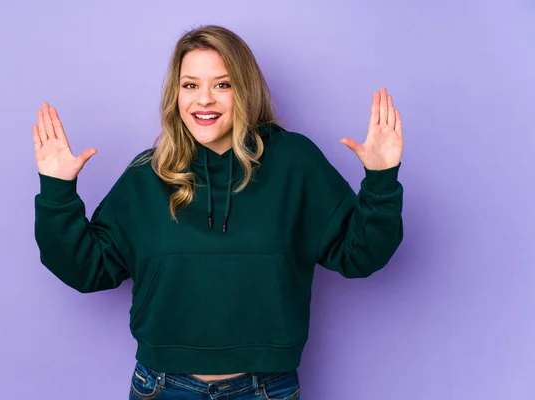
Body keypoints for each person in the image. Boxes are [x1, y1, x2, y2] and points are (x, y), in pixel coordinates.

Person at [32, 25, 404, 400]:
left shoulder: (295, 162)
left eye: (222, 85)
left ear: (245, 90)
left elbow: (359, 256)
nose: (204, 100)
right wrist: (57, 190)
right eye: (190, 85)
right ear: (175, 94)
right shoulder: (148, 173)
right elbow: (88, 268)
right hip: (162, 387)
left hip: (265, 389)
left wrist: (381, 179)